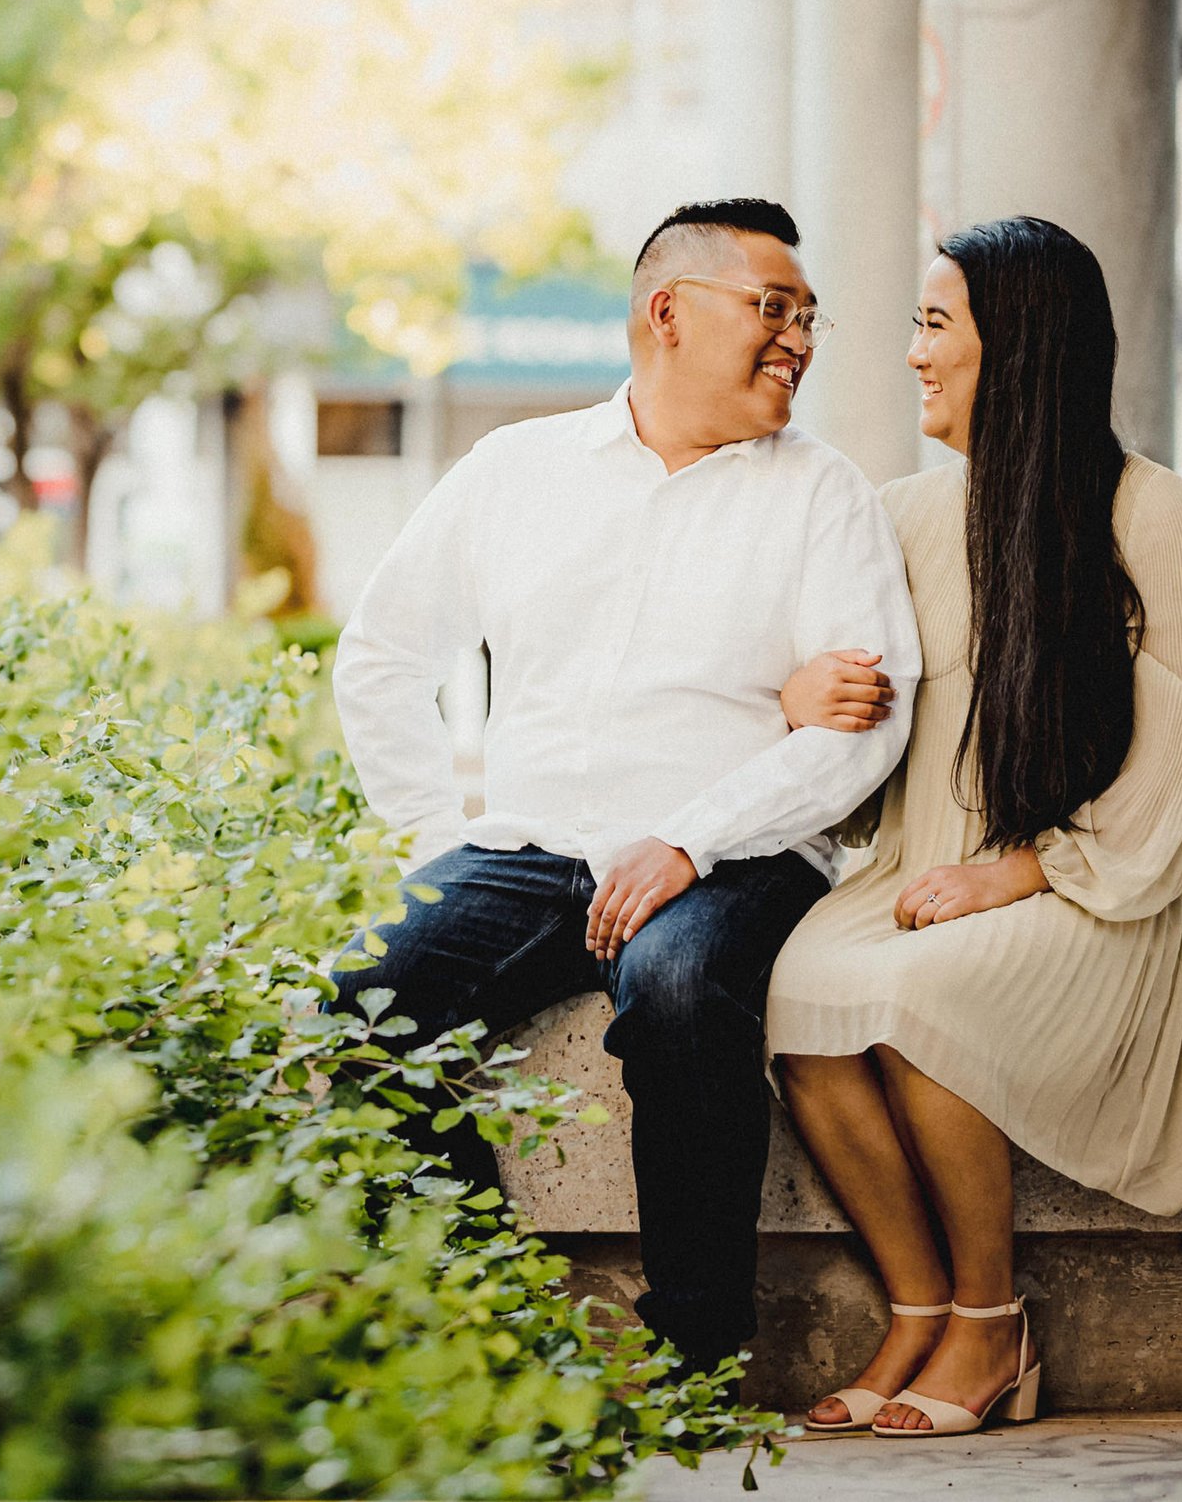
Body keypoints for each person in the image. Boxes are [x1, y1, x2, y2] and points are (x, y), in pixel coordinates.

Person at [329, 197, 920, 1370]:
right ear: (667, 312)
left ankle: (694, 1354)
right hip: (531, 850)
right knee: (359, 1011)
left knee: (681, 982)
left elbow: (860, 728)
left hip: (740, 857)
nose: (798, 339)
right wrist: (433, 840)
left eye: (808, 318)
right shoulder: (516, 470)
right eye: (772, 308)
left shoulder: (820, 493)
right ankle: (480, 1329)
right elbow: (383, 656)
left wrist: (691, 840)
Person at [768, 215, 1182, 1437]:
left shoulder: (1153, 516)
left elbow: (1179, 769)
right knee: (801, 996)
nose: (913, 355)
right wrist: (800, 699)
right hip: (930, 860)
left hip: (1104, 883)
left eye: (935, 325)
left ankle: (993, 1322)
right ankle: (919, 1304)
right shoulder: (904, 516)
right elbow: (860, 729)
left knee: (925, 1002)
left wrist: (1020, 871)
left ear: (1019, 342)